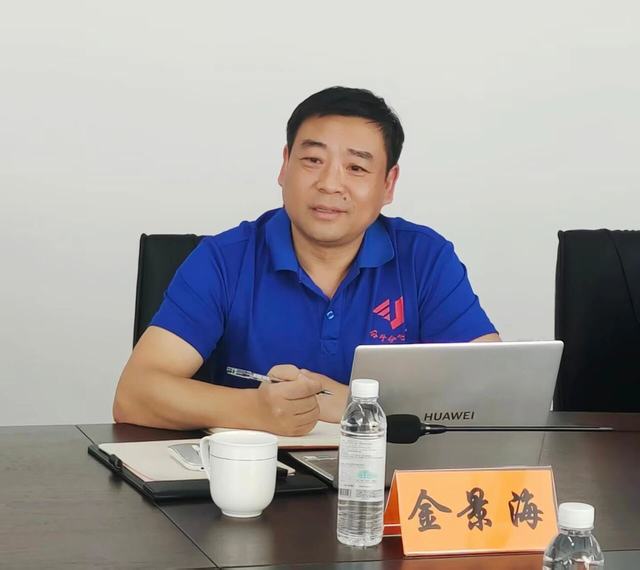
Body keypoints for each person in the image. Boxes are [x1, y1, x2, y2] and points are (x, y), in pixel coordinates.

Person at [113, 86, 500, 434]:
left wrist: (355, 405)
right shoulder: (223, 261)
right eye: (313, 160)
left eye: (356, 168)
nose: (330, 183)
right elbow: (134, 395)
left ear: (388, 183)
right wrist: (254, 409)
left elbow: (495, 395)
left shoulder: (425, 259)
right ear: (285, 166)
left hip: (387, 483)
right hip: (257, 480)